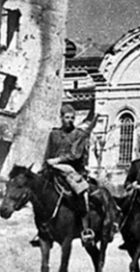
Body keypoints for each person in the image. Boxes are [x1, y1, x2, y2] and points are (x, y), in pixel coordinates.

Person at [42, 103, 98, 243]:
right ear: (61, 118)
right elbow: (48, 153)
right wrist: (45, 167)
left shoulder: (78, 134)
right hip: (54, 170)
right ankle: (42, 228)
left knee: (81, 192)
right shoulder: (54, 134)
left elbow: (76, 155)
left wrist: (57, 160)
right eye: (67, 117)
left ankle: (85, 229)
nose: (70, 120)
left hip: (73, 171)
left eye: (72, 118)